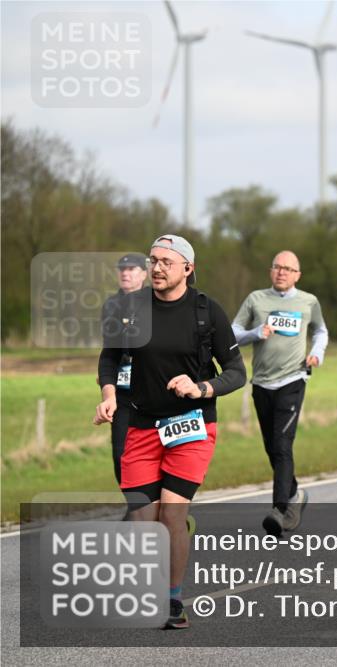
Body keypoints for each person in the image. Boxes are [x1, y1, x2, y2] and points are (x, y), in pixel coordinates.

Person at [95, 234, 246, 629]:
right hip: (141, 423)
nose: (157, 268)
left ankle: (173, 599)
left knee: (172, 514)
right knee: (143, 517)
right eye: (153, 260)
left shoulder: (206, 312)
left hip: (190, 425)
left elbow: (236, 373)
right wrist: (109, 396)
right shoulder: (130, 309)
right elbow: (109, 359)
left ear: (188, 269)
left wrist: (201, 388)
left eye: (166, 261)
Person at [232, 251, 329, 536]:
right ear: (270, 271)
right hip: (262, 383)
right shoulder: (255, 299)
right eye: (277, 267)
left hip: (293, 380)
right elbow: (232, 332)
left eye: (288, 268)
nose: (282, 272)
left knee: (282, 444)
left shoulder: (308, 301)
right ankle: (296, 493)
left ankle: (281, 510)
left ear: (297, 275)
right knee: (272, 447)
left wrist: (316, 354)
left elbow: (321, 331)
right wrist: (254, 334)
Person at [97, 252, 148, 487]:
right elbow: (110, 347)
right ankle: (136, 506)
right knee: (120, 453)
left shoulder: (155, 301)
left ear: (145, 274)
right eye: (122, 269)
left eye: (132, 269)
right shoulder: (111, 305)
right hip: (122, 387)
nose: (125, 273)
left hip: (152, 386)